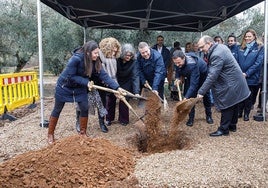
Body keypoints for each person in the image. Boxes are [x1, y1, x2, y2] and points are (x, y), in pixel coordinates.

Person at [47, 41, 122, 144]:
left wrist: (117, 87)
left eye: (97, 53)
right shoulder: (75, 59)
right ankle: (50, 135)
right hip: (65, 86)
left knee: (84, 107)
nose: (97, 55)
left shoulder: (95, 60)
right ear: (88, 53)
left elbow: (103, 75)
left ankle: (83, 133)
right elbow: (71, 76)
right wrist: (86, 82)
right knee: (57, 109)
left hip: (80, 87)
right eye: (95, 53)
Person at [197, 35, 250, 137]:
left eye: (202, 47)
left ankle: (223, 129)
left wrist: (201, 92)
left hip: (231, 83)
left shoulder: (217, 54)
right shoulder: (221, 47)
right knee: (234, 103)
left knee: (227, 104)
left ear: (209, 43)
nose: (201, 49)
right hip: (236, 81)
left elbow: (212, 75)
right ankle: (232, 125)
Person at [172, 50, 213, 126]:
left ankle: (209, 115)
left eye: (179, 62)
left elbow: (194, 85)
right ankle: (191, 118)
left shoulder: (192, 64)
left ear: (184, 58)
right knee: (190, 95)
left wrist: (185, 98)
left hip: (203, 76)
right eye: (175, 63)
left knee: (206, 95)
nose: (177, 64)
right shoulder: (177, 61)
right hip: (190, 76)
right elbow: (178, 69)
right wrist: (178, 77)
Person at [236, 29, 264, 121]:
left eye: (249, 36)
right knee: (240, 95)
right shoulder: (240, 47)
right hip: (240, 75)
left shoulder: (259, 47)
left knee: (249, 96)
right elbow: (236, 61)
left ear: (254, 37)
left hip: (251, 76)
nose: (247, 38)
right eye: (246, 36)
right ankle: (239, 111)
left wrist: (247, 73)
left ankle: (246, 113)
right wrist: (239, 73)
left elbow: (258, 63)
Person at [99, 37, 122, 126]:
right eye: (112, 50)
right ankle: (102, 121)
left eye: (115, 51)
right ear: (107, 48)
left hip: (112, 81)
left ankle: (109, 118)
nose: (114, 53)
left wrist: (116, 86)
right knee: (104, 102)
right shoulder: (100, 56)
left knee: (112, 99)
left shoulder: (113, 58)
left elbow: (114, 74)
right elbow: (103, 73)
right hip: (102, 82)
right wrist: (111, 85)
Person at [116, 43, 140, 125]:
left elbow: (135, 76)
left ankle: (124, 120)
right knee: (110, 98)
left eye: (130, 55)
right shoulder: (117, 59)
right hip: (117, 80)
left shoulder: (134, 62)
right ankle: (109, 118)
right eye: (127, 55)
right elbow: (114, 72)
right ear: (122, 54)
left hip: (127, 82)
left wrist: (136, 91)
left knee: (124, 99)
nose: (128, 57)